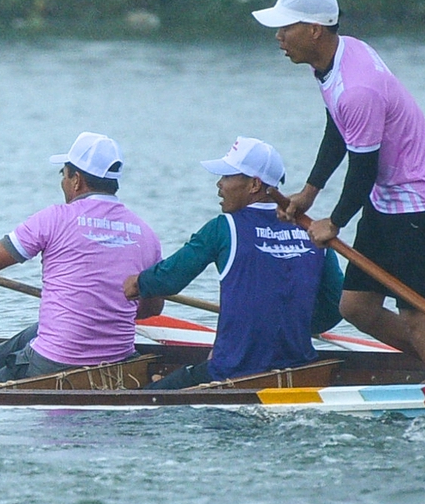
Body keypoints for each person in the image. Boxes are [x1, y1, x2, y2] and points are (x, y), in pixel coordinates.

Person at [252, 0, 425, 384]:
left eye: (286, 27)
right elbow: (338, 129)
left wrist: (332, 222)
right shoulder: (338, 58)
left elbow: (362, 168)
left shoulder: (358, 88)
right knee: (356, 307)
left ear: (315, 29)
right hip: (387, 200)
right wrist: (309, 192)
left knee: (417, 316)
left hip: (420, 205)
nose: (278, 37)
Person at [0, 132, 163, 386]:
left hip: (54, 363)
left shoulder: (54, 219)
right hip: (118, 360)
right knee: (37, 330)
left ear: (76, 181)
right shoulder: (146, 234)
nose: (63, 184)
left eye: (63, 175)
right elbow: (152, 309)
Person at [125, 137, 344, 387]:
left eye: (227, 177)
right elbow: (335, 305)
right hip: (298, 368)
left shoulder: (224, 227)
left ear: (254, 184)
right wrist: (292, 324)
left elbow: (169, 280)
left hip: (233, 372)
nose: (219, 185)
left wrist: (137, 284)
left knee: (148, 398)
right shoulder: (313, 231)